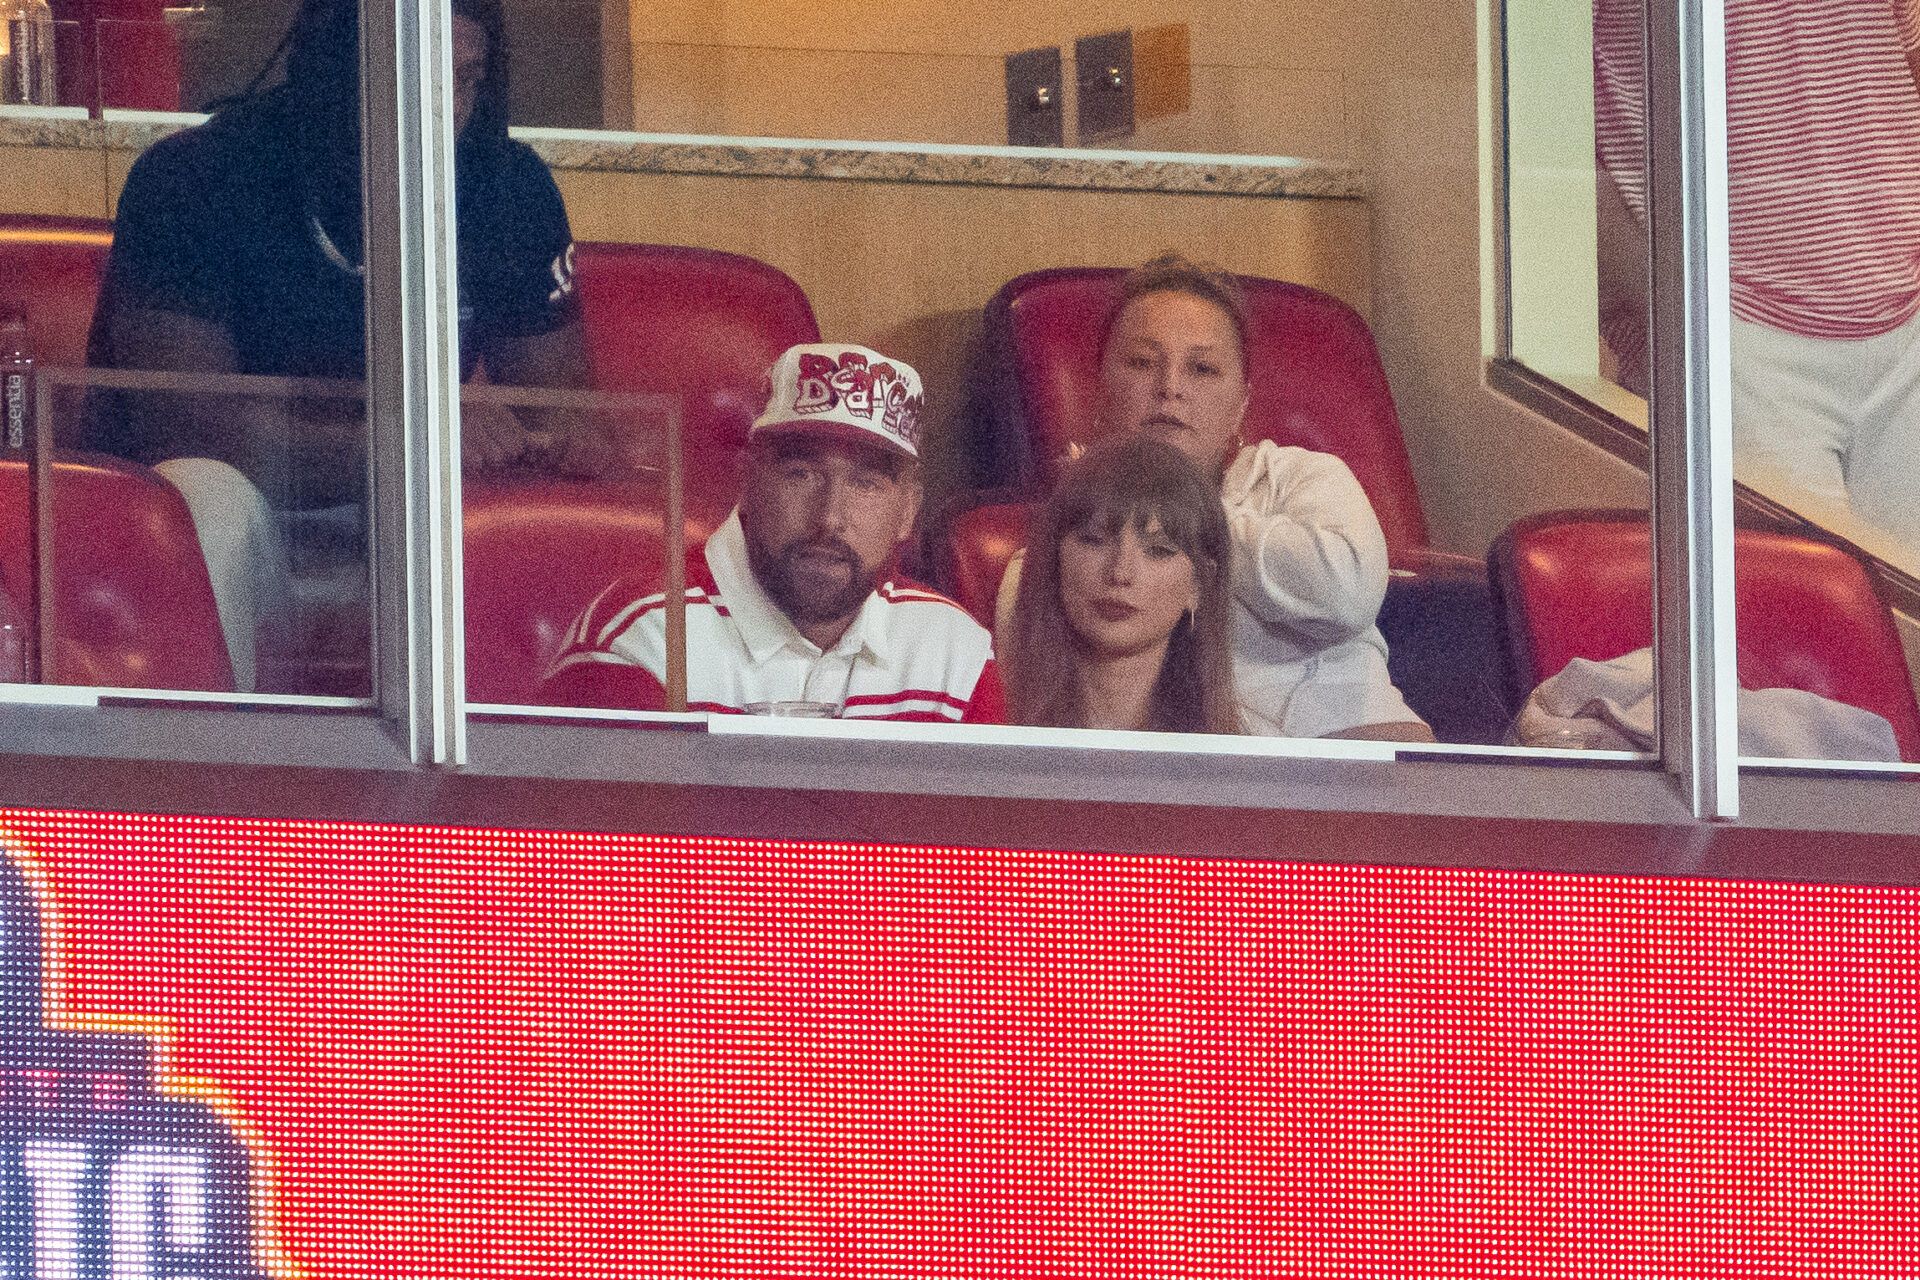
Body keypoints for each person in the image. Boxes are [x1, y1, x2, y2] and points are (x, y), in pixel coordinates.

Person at [79, 0, 599, 691]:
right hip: (220, 513)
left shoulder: (508, 185)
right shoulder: (194, 179)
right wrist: (407, 442)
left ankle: (480, 788)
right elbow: (189, 427)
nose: (445, 113)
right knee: (211, 496)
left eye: (468, 81)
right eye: (420, 83)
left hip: (394, 512)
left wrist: (545, 441)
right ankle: (220, 787)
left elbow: (565, 413)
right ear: (333, 76)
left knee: (524, 525)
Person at [998, 254, 1432, 742]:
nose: (1170, 390)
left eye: (1202, 369)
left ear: (1242, 402)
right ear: (1099, 389)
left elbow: (1348, 594)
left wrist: (1178, 511)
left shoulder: (1299, 479)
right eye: (1142, 363)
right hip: (1193, 781)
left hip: (1360, 759)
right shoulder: (1052, 556)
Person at [1594, 0, 1920, 551]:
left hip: (1904, 313)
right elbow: (1541, 115)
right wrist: (1676, 317)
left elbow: (1904, 58)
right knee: (1799, 621)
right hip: (1736, 337)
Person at [539, 343, 1005, 722]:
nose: (830, 517)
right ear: (747, 482)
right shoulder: (643, 639)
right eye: (800, 473)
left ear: (907, 511)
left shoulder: (954, 655)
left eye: (866, 483)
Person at [1002, 436, 1239, 734]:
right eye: (1094, 540)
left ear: (1199, 585)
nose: (1120, 573)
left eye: (1158, 550)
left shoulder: (1246, 768)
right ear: (1055, 559)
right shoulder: (986, 729)